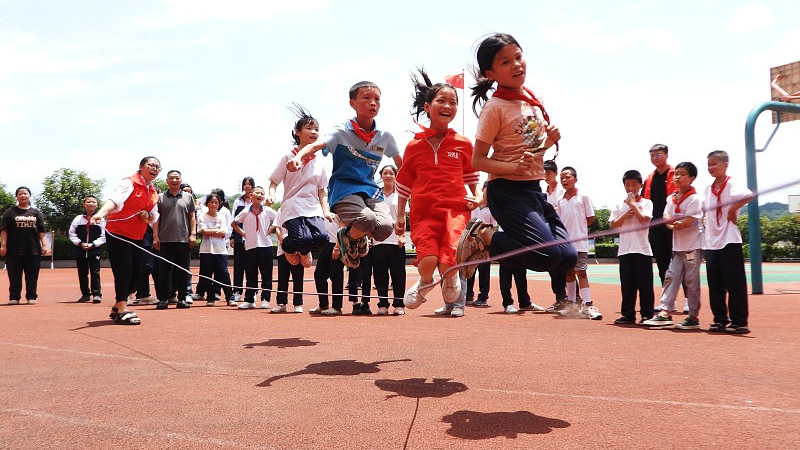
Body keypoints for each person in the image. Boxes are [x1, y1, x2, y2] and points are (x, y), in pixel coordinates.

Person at [456, 33, 576, 292]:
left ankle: (489, 241)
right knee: (547, 256)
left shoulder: (534, 101)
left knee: (568, 257)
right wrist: (514, 168)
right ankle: (484, 238)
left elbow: (531, 152)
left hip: (534, 188)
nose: (517, 65)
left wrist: (548, 142)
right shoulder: (494, 108)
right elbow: (477, 161)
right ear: (491, 73)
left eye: (518, 57)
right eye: (506, 62)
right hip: (507, 191)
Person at [286, 81, 403, 270]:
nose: (373, 103)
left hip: (370, 192)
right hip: (344, 190)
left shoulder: (384, 137)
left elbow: (401, 164)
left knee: (385, 228)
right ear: (352, 103)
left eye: (377, 99)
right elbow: (315, 146)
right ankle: (349, 237)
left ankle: (352, 237)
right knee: (367, 220)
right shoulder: (341, 131)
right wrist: (298, 157)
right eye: (366, 98)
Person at [395, 69, 480, 318]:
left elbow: (472, 176)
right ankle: (424, 283)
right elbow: (404, 184)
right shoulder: (413, 146)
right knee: (429, 260)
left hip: (456, 209)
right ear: (427, 106)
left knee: (449, 258)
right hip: (423, 213)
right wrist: (401, 215)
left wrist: (476, 196)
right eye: (441, 101)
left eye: (453, 102)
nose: (448, 106)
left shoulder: (463, 143)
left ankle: (450, 277)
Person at [91, 156, 161, 325]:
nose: (154, 169)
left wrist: (148, 216)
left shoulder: (152, 191)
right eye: (151, 165)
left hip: (138, 235)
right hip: (118, 233)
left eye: (158, 167)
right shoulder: (128, 183)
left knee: (143, 268)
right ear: (141, 166)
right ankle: (122, 308)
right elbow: (113, 201)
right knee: (125, 270)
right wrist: (100, 214)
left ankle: (117, 305)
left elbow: (155, 216)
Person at [268, 104, 332, 269]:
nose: (314, 132)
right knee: (302, 239)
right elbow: (274, 180)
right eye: (309, 128)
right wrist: (272, 195)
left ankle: (304, 251)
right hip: (293, 206)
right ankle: (288, 247)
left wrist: (326, 210)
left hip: (312, 207)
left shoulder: (320, 161)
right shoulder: (288, 156)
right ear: (297, 132)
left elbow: (322, 190)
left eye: (316, 129)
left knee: (322, 238)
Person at [643, 162, 704, 329]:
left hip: (692, 247)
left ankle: (693, 317)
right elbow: (665, 216)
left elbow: (690, 220)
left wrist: (678, 223)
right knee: (671, 276)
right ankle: (665, 312)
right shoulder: (671, 198)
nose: (677, 177)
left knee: (691, 281)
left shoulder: (695, 198)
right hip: (677, 247)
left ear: (691, 178)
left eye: (682, 174)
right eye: (676, 174)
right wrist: (672, 224)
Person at [704, 150, 753, 334]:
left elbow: (748, 195)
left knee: (735, 283)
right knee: (715, 283)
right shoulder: (708, 188)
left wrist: (734, 209)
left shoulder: (731, 183)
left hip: (729, 240)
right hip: (711, 242)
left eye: (714, 164)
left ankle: (739, 321)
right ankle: (719, 319)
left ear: (725, 164)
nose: (711, 168)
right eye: (709, 164)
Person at [610, 170, 655, 324]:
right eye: (627, 185)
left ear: (640, 185)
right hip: (625, 250)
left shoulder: (647, 203)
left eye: (634, 185)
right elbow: (613, 225)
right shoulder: (618, 204)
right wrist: (624, 215)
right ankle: (628, 314)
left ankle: (647, 314)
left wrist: (634, 206)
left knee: (645, 285)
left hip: (642, 250)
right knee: (627, 285)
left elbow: (644, 221)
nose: (631, 188)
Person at [555, 167, 601, 320]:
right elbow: (559, 222)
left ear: (575, 178)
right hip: (565, 244)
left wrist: (579, 229)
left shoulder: (583, 197)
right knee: (568, 273)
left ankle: (588, 305)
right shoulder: (560, 201)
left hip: (580, 242)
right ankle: (571, 304)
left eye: (567, 177)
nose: (564, 180)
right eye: (561, 178)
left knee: (581, 272)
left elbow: (590, 218)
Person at [152, 170, 196, 310]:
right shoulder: (160, 197)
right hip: (165, 240)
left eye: (177, 178)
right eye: (171, 178)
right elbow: (155, 219)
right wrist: (155, 236)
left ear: (181, 180)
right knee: (164, 271)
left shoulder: (188, 197)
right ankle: (163, 299)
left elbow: (192, 217)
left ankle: (182, 298)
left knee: (183, 270)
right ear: (167, 181)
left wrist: (193, 234)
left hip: (183, 239)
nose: (174, 180)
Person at [1, 186, 49, 305]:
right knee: (14, 275)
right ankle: (14, 297)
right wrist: (3, 245)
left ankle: (31, 296)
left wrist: (44, 245)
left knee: (32, 275)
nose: (23, 196)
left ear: (29, 196)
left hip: (33, 249)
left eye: (25, 193)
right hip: (14, 250)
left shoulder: (35, 212)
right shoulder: (10, 212)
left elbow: (42, 230)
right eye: (20, 194)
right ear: (16, 197)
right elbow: (3, 230)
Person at [232, 186, 277, 310]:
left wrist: (272, 228)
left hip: (265, 245)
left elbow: (280, 218)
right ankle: (249, 299)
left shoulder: (268, 211)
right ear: (251, 195)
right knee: (251, 273)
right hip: (250, 246)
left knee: (266, 274)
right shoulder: (246, 211)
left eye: (262, 193)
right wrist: (243, 234)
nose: (260, 195)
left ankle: (265, 299)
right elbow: (234, 223)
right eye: (257, 192)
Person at [371, 165, 407, 316]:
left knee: (398, 274)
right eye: (385, 173)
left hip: (395, 240)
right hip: (378, 240)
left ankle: (399, 304)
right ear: (381, 175)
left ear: (395, 176)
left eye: (391, 173)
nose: (388, 176)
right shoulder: (374, 193)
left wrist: (401, 235)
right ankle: (382, 304)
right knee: (380, 274)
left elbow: (403, 216)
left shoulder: (400, 194)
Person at [196, 192, 235, 307]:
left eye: (216, 202)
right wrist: (215, 231)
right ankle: (210, 297)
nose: (214, 204)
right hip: (206, 250)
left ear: (219, 204)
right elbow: (203, 231)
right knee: (206, 273)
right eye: (211, 202)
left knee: (223, 273)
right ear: (207, 204)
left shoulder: (222, 216)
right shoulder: (202, 216)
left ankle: (230, 297)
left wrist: (210, 231)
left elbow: (224, 233)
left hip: (220, 249)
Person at [542, 159, 569, 313]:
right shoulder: (543, 192)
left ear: (555, 174)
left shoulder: (562, 192)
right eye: (544, 172)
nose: (546, 175)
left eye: (549, 173)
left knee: (567, 267)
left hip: (562, 233)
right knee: (553, 267)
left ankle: (574, 299)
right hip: (548, 234)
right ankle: (560, 298)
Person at [68, 195, 106, 304]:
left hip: (95, 250)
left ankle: (97, 294)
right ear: (84, 204)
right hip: (81, 250)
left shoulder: (101, 219)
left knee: (95, 272)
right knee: (82, 272)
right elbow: (72, 233)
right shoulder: (78, 219)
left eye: (93, 202)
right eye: (88, 202)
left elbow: (104, 235)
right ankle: (85, 294)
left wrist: (93, 244)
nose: (91, 204)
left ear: (97, 204)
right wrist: (80, 243)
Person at [465, 183, 493, 308]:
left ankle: (483, 297)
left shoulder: (493, 208)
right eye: (485, 190)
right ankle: (468, 294)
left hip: (485, 242)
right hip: (471, 241)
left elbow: (493, 226)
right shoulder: (474, 205)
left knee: (484, 269)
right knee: (469, 268)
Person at [311, 213, 346, 315]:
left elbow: (342, 227)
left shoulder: (339, 206)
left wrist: (338, 246)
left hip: (335, 244)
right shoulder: (321, 208)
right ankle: (323, 304)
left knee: (336, 276)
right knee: (319, 274)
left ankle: (337, 307)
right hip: (325, 244)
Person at [272, 209, 305, 313]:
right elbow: (277, 228)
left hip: (298, 249)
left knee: (298, 278)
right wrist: (284, 243)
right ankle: (281, 303)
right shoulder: (281, 210)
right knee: (282, 277)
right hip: (283, 250)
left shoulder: (301, 209)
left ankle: (298, 303)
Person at [230, 177, 255, 305]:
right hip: (240, 238)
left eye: (249, 184)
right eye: (245, 184)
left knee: (252, 266)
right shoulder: (238, 201)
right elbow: (234, 219)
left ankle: (252, 292)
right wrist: (233, 237)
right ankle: (237, 291)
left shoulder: (257, 200)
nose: (247, 186)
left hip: (254, 239)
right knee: (239, 266)